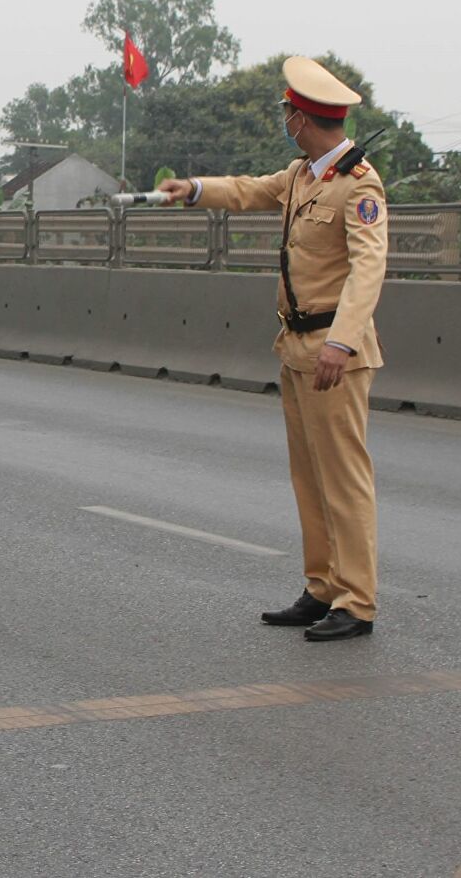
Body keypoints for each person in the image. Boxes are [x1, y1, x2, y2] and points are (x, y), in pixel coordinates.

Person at [156, 56, 389, 642]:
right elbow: (249, 190)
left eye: (288, 111)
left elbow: (369, 270)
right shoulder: (304, 175)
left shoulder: (360, 185)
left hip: (336, 350)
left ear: (302, 119)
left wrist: (342, 341)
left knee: (344, 478)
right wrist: (195, 190)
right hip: (295, 346)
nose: (285, 118)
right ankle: (321, 588)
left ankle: (356, 602)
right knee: (309, 478)